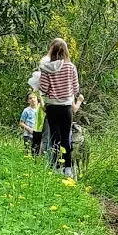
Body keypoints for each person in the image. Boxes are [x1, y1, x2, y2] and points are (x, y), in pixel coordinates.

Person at [36, 38, 85, 177]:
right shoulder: (71, 67)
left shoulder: (46, 68)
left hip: (52, 106)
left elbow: (44, 89)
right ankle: (68, 168)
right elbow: (76, 88)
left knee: (54, 137)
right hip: (66, 107)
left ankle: (57, 166)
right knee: (66, 137)